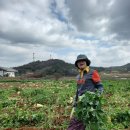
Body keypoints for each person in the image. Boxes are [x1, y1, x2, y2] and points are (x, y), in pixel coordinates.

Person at [67, 54, 103, 130]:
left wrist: (96, 98)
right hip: (79, 104)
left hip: (89, 105)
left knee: (85, 123)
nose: (81, 62)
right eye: (79, 61)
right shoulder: (78, 76)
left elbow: (100, 87)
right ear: (77, 64)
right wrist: (74, 103)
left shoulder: (93, 72)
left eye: (82, 60)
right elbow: (78, 90)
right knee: (76, 124)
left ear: (86, 62)